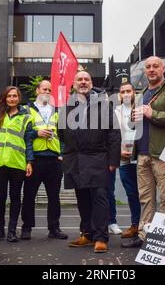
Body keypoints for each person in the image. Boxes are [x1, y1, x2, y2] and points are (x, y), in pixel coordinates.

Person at [121, 56, 165, 248]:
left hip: (162, 153)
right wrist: (132, 117)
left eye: (156, 66)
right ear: (145, 71)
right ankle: (144, 235)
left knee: (164, 198)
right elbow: (133, 124)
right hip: (142, 153)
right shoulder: (142, 93)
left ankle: (160, 239)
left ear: (163, 69)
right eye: (148, 67)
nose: (152, 70)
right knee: (145, 198)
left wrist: (152, 113)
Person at [60, 71, 121, 253]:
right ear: (74, 83)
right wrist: (65, 152)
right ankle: (87, 234)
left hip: (98, 159)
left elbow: (114, 133)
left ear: (91, 82)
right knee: (83, 200)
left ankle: (101, 238)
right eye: (79, 79)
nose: (83, 82)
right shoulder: (67, 106)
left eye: (87, 79)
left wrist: (113, 159)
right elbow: (61, 132)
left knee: (100, 199)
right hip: (76, 160)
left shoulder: (103, 104)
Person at [20, 80, 68, 240]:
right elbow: (23, 135)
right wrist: (36, 134)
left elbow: (63, 136)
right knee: (29, 196)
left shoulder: (57, 111)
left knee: (54, 197)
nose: (47, 92)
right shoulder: (26, 110)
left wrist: (61, 154)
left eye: (49, 89)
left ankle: (54, 228)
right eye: (44, 89)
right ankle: (26, 227)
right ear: (37, 91)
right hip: (35, 160)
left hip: (54, 160)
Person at [0, 86, 34, 242]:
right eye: (9, 96)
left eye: (14, 96)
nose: (12, 98)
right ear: (5, 98)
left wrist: (29, 162)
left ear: (19, 98)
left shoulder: (26, 117)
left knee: (15, 198)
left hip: (17, 162)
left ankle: (11, 231)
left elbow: (28, 141)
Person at [113, 82, 141, 239]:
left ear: (134, 93)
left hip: (142, 158)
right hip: (124, 158)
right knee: (131, 193)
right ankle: (135, 225)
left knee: (145, 194)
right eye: (122, 91)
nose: (126, 94)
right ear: (119, 94)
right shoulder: (115, 112)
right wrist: (118, 151)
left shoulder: (142, 109)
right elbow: (112, 135)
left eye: (128, 91)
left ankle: (147, 225)